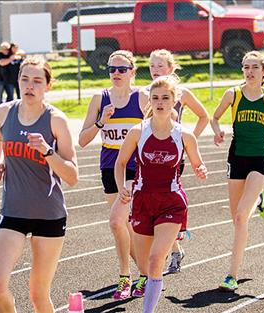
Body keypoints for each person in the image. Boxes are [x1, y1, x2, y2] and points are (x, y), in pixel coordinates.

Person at [0, 56, 79, 312]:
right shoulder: (4, 112)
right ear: (18, 81)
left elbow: (72, 176)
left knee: (39, 295)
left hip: (48, 215)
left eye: (37, 81)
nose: (30, 86)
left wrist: (48, 152)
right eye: (25, 79)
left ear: (47, 86)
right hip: (12, 212)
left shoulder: (55, 120)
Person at [114, 75, 207, 312]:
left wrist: (200, 169)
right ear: (150, 102)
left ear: (174, 101)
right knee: (146, 267)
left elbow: (197, 162)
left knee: (156, 260)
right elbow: (120, 163)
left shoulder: (184, 135)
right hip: (143, 202)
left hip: (171, 202)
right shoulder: (138, 132)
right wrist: (122, 188)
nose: (160, 102)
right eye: (155, 98)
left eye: (166, 98)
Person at [211, 51, 264, 291]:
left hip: (259, 160)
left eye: (254, 67)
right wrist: (217, 132)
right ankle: (258, 198)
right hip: (236, 158)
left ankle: (232, 275)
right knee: (237, 220)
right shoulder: (233, 94)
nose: (249, 72)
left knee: (241, 216)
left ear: (263, 72)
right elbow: (215, 117)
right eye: (245, 67)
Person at [78, 50, 149, 300]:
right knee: (123, 227)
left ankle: (125, 277)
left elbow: (161, 128)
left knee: (119, 221)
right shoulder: (100, 99)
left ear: (132, 71)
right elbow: (82, 140)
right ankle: (146, 273)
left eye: (122, 69)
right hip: (110, 167)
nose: (116, 74)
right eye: (112, 69)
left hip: (135, 168)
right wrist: (100, 122)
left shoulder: (142, 98)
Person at [147, 49, 209, 274]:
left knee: (163, 204)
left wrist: (189, 141)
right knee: (151, 207)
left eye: (160, 66)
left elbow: (204, 116)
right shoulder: (148, 93)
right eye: (152, 66)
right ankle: (173, 249)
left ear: (171, 69)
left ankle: (168, 250)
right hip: (149, 156)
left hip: (173, 157)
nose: (155, 70)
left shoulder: (182, 94)